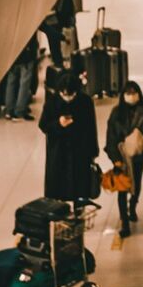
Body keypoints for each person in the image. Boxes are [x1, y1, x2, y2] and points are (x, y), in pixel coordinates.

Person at [105, 80, 143, 236]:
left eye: (134, 93)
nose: (131, 96)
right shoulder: (116, 113)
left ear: (139, 94)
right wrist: (114, 158)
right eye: (128, 93)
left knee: (136, 184)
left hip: (137, 155)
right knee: (122, 188)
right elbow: (111, 137)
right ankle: (124, 221)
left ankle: (133, 206)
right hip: (121, 157)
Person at [39, 67, 98, 203]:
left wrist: (93, 151)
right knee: (57, 187)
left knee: (80, 187)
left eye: (70, 95)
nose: (67, 98)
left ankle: (79, 214)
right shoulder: (52, 102)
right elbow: (43, 125)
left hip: (80, 150)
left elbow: (91, 128)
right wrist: (58, 124)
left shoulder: (85, 102)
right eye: (64, 94)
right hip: (58, 151)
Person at [2, 36, 39, 120]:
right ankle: (20, 111)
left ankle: (9, 110)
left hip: (12, 55)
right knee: (24, 84)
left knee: (11, 83)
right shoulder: (30, 23)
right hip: (27, 56)